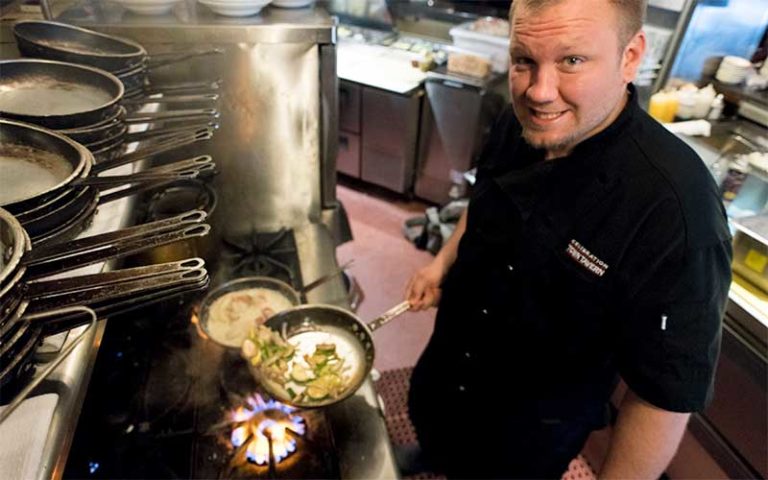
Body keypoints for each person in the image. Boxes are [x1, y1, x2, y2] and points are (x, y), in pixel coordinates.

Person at [404, 0, 733, 478]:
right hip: (451, 366)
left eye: (572, 61)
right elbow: (484, 202)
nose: (539, 92)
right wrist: (440, 265)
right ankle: (432, 453)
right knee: (435, 434)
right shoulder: (521, 121)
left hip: (525, 434)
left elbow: (660, 396)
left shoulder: (677, 210)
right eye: (524, 60)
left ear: (631, 55)